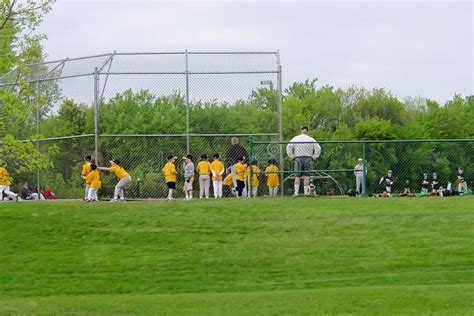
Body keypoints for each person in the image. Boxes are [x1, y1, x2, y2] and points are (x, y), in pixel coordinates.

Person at [286, 126, 321, 196]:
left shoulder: (296, 138)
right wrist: (314, 157)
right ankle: (306, 193)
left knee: (297, 176)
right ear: (307, 131)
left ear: (301, 131)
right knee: (307, 176)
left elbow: (288, 147)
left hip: (298, 158)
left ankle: (296, 193)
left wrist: (292, 156)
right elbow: (318, 148)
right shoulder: (311, 139)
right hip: (308, 159)